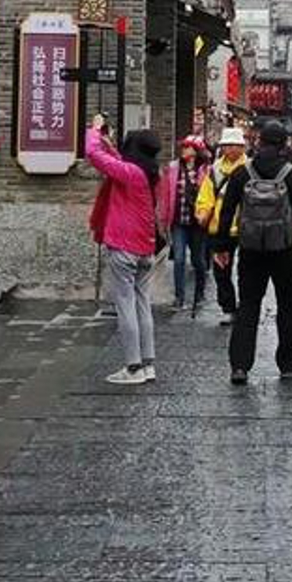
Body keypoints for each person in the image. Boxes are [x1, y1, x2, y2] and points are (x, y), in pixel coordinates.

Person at [213, 117, 292, 384]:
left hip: (250, 249)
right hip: (285, 249)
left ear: (258, 141)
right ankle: (288, 364)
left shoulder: (242, 172)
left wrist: (222, 247)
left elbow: (226, 212)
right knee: (288, 305)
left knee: (248, 306)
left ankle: (240, 366)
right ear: (284, 143)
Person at [86, 115, 169, 386]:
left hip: (124, 248)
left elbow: (92, 154)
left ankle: (132, 367)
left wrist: (95, 130)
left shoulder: (130, 174)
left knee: (125, 305)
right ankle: (148, 364)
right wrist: (108, 143)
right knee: (143, 304)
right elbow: (115, 158)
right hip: (146, 248)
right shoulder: (153, 173)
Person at [196, 126, 249, 325]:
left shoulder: (250, 168)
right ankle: (228, 307)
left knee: (246, 270)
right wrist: (202, 212)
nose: (231, 149)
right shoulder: (215, 169)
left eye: (235, 145)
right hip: (219, 227)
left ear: (243, 148)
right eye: (227, 145)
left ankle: (245, 306)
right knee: (221, 270)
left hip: (245, 228)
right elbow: (206, 194)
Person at [167, 135, 209, 311]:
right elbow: (167, 193)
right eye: (183, 147)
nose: (184, 150)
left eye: (188, 147)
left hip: (197, 223)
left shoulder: (205, 170)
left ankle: (200, 293)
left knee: (198, 260)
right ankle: (179, 297)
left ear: (196, 151)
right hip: (179, 221)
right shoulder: (174, 168)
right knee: (178, 259)